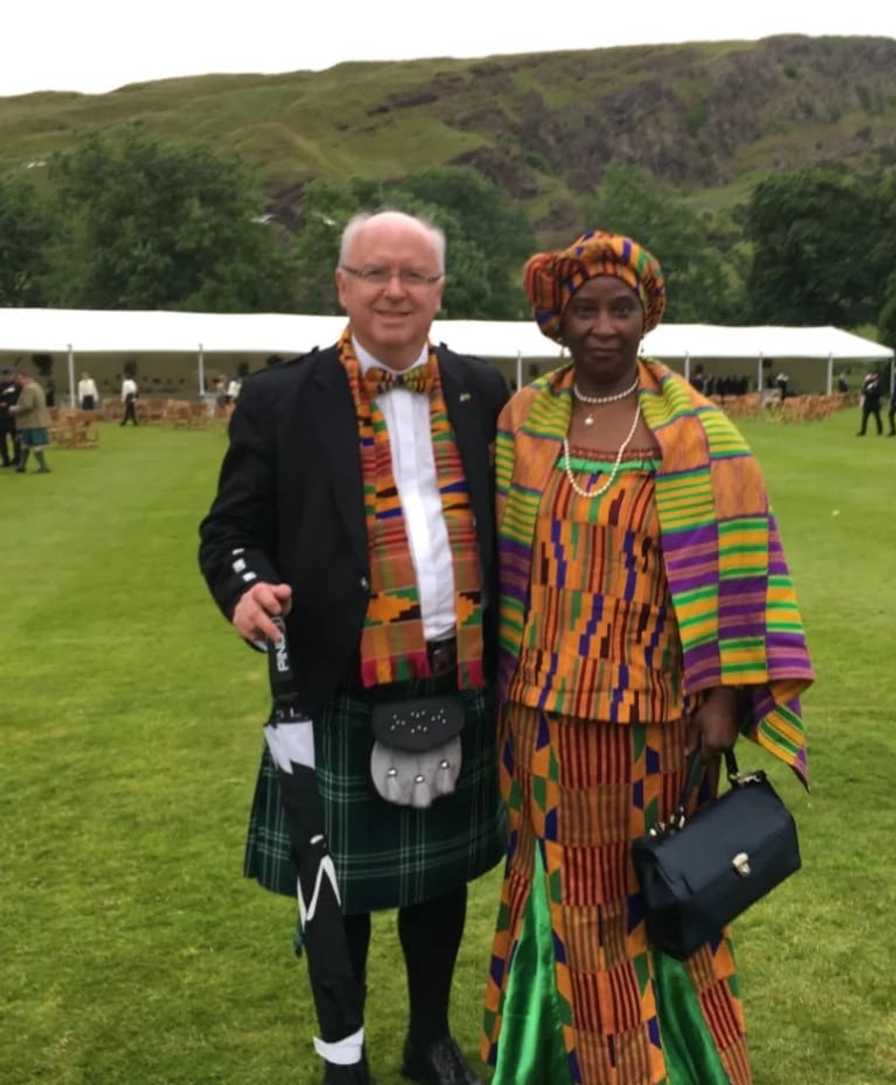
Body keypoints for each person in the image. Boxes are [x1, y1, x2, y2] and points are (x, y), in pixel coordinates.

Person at [480, 231, 814, 1085]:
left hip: (655, 719)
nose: (602, 326)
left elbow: (744, 570)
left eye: (619, 308)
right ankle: (555, 1064)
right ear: (557, 320)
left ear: (646, 316)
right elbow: (498, 567)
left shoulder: (702, 435)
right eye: (584, 308)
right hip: (541, 711)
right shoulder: (522, 423)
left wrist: (726, 697)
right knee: (562, 894)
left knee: (651, 892)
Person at [199, 210, 506, 1085]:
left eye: (415, 274)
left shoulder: (485, 391)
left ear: (441, 291)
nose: (396, 290)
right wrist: (243, 584)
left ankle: (429, 1039)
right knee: (341, 887)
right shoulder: (281, 398)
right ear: (342, 285)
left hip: (459, 675)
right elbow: (230, 529)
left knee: (439, 884)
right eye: (375, 272)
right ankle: (346, 1051)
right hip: (340, 683)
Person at [10, 370, 52, 474]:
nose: (19, 381)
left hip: (33, 421)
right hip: (33, 421)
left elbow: (28, 405)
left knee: (36, 444)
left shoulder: (29, 388)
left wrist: (14, 409)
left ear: (26, 378)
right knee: (25, 444)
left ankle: (43, 467)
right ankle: (21, 466)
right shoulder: (37, 386)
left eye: (20, 379)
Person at [0, 367, 20, 468]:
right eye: (4, 375)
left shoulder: (17, 387)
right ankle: (5, 460)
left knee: (15, 439)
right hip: (2, 417)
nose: (6, 377)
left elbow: (19, 400)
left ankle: (17, 460)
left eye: (9, 374)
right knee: (2, 441)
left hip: (14, 417)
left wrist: (8, 405)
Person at [857, 368, 883, 435]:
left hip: (875, 403)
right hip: (867, 403)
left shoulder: (879, 383)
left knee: (877, 418)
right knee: (864, 418)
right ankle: (863, 431)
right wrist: (867, 392)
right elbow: (863, 390)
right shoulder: (868, 382)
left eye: (874, 375)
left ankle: (880, 431)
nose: (873, 376)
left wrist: (871, 392)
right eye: (872, 375)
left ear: (877, 375)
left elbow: (879, 393)